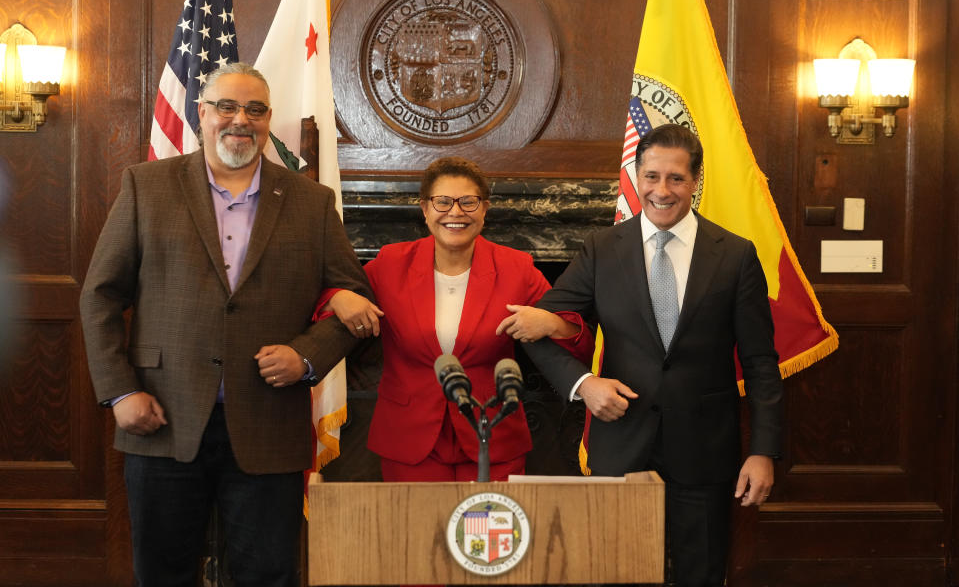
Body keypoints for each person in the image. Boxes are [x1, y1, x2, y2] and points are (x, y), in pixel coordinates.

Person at [79, 62, 372, 587]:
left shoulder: (311, 201)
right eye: (227, 107)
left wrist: (307, 356)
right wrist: (120, 392)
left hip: (268, 422)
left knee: (268, 573)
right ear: (202, 113)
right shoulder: (147, 186)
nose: (241, 120)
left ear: (268, 120)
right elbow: (100, 296)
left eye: (255, 110)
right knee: (162, 572)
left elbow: (355, 301)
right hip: (160, 416)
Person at [522, 124, 783, 587]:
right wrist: (585, 385)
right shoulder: (601, 249)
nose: (662, 191)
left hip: (704, 453)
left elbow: (762, 363)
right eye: (652, 176)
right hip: (620, 444)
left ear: (696, 181)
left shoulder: (735, 256)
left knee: (700, 575)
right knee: (617, 573)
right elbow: (537, 328)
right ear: (636, 177)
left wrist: (763, 452)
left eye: (676, 179)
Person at [321, 156, 593, 482]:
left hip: (492, 436)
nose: (455, 212)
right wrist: (338, 296)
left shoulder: (516, 268)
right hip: (409, 441)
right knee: (415, 534)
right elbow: (325, 305)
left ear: (484, 209)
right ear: (424, 208)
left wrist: (552, 324)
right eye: (443, 202)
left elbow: (579, 338)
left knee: (488, 533)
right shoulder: (391, 264)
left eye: (468, 202)